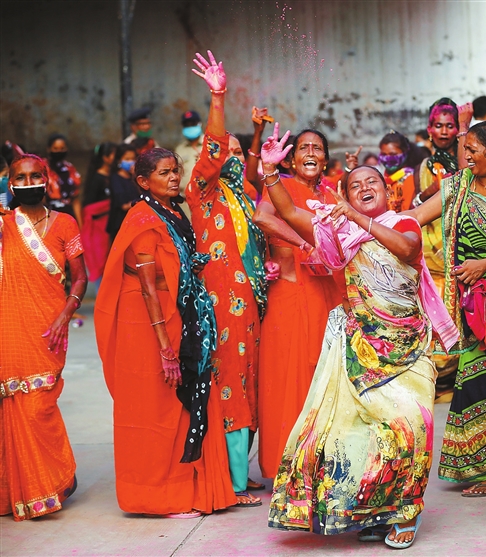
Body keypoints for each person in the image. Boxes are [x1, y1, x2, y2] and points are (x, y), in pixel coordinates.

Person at [261, 124, 459, 549]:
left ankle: (407, 513)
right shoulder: (341, 232)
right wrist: (272, 173)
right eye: (356, 186)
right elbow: (289, 213)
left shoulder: (403, 222)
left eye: (373, 183)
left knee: (413, 427)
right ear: (346, 196)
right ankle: (376, 511)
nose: (365, 188)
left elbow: (407, 250)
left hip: (409, 348)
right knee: (364, 434)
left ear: (387, 192)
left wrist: (358, 218)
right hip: (362, 349)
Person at [95, 148, 237, 517]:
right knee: (156, 407)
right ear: (143, 181)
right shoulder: (143, 219)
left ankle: (190, 487)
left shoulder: (172, 211)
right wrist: (165, 349)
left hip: (176, 311)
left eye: (175, 170)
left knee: (179, 405)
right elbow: (146, 287)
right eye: (164, 172)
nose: (174, 178)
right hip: (147, 321)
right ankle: (157, 497)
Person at [408, 121, 486, 495]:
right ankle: (483, 468)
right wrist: (366, 222)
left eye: (472, 149)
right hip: (472, 304)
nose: (465, 155)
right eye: (464, 148)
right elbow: (415, 219)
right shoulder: (459, 185)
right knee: (474, 376)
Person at [186, 50, 267, 507]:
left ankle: (243, 472)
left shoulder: (244, 195)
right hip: (221, 303)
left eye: (237, 153)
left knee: (250, 379)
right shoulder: (203, 194)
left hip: (253, 300)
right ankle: (233, 481)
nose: (230, 159)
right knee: (232, 381)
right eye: (225, 153)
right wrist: (218, 98)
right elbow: (214, 148)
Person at [252, 128, 341, 481]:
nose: (310, 153)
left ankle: (320, 462)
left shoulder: (332, 194)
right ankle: (283, 464)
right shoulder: (281, 186)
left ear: (325, 159)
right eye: (303, 147)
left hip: (326, 296)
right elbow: (262, 218)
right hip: (289, 295)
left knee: (322, 377)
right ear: (291, 159)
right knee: (286, 379)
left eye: (317, 148)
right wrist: (304, 244)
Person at [0, 154, 86, 520]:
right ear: (10, 184)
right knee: (13, 409)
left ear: (47, 180)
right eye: (20, 177)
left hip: (49, 328)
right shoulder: (4, 225)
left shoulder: (65, 223)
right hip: (9, 330)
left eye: (35, 175)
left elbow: (80, 277)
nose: (29, 182)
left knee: (40, 407)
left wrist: (65, 315)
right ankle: (21, 490)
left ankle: (57, 477)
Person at [413, 98, 462, 399]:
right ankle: (433, 383)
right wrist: (435, 189)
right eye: (438, 126)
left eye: (450, 126)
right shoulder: (425, 166)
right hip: (433, 254)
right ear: (430, 130)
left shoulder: (466, 160)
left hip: (461, 251)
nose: (444, 131)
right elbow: (418, 202)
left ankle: (456, 384)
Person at [81, 142, 117, 284]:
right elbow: (89, 207)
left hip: (113, 224)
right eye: (114, 155)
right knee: (101, 260)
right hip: (100, 228)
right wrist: (111, 205)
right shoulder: (96, 179)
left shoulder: (115, 176)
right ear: (105, 158)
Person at [46, 133, 82, 222]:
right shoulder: (43, 168)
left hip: (68, 216)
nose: (59, 151)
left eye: (62, 148)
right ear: (49, 149)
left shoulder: (70, 169)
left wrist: (80, 225)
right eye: (55, 148)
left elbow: (75, 200)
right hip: (49, 217)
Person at [378, 131, 417, 212]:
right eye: (384, 154)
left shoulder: (410, 178)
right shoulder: (379, 176)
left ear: (405, 153)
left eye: (393, 154)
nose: (388, 158)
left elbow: (406, 211)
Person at [106, 144, 138, 240]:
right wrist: (143, 202)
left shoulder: (135, 178)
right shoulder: (115, 179)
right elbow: (124, 205)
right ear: (119, 160)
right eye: (127, 159)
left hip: (135, 223)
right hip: (121, 224)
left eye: (133, 159)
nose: (131, 162)